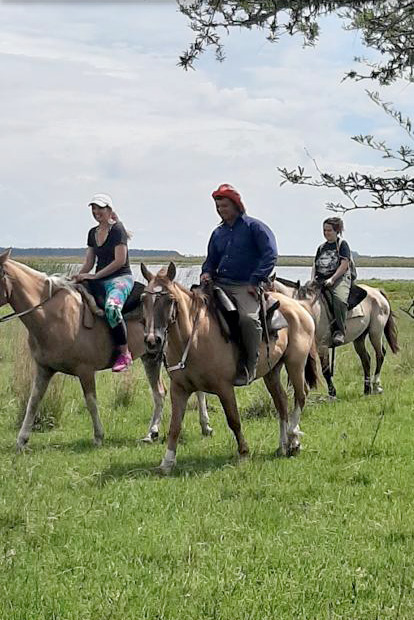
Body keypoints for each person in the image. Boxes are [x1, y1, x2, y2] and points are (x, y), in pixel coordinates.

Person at [201, 183, 278, 386]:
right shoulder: (218, 233)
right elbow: (211, 259)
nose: (221, 210)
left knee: (248, 320)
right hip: (219, 284)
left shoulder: (255, 227)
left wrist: (256, 279)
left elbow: (270, 255)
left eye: (224, 206)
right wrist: (206, 272)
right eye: (218, 207)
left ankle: (249, 365)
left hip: (245, 285)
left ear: (236, 205)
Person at [73, 193, 134, 372]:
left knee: (112, 308)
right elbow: (89, 263)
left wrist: (95, 276)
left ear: (109, 210)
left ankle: (125, 353)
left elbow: (120, 261)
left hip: (120, 278)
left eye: (100, 208)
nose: (96, 211)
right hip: (100, 278)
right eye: (94, 208)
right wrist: (78, 276)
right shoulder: (92, 233)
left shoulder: (117, 230)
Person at [311, 217, 352, 346]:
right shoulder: (321, 247)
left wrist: (332, 279)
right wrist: (312, 280)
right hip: (321, 279)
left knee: (339, 299)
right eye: (324, 230)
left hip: (339, 278)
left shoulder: (342, 245)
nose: (326, 233)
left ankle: (340, 331)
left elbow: (344, 264)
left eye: (329, 230)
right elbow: (315, 265)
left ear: (337, 231)